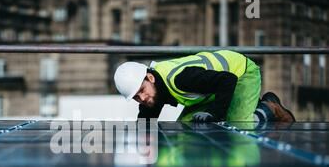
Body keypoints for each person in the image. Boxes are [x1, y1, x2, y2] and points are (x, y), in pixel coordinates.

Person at [113, 50, 295, 123]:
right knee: (186, 126)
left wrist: (215, 113)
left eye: (142, 91)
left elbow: (228, 80)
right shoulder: (155, 88)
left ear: (150, 78)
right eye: (136, 97)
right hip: (212, 89)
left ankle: (269, 108)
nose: (142, 98)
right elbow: (147, 118)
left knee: (238, 125)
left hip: (240, 74)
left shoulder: (180, 79)